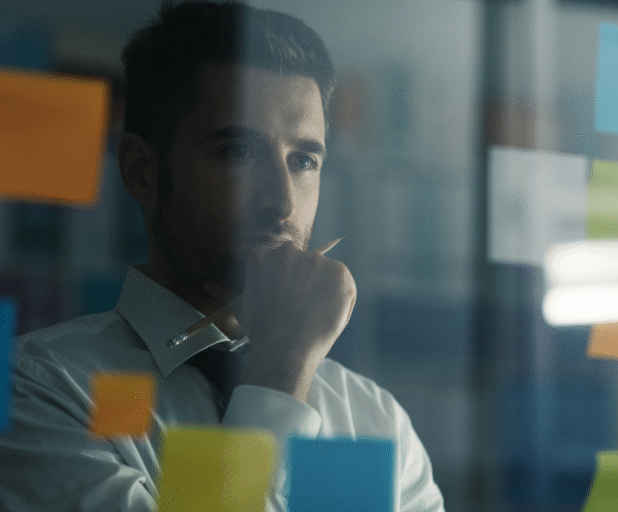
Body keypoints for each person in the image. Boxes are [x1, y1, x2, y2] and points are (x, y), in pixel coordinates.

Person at [0, 1, 445, 511]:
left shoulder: (374, 419)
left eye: (303, 160)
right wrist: (280, 370)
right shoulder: (41, 389)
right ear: (142, 171)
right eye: (237, 152)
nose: (280, 201)